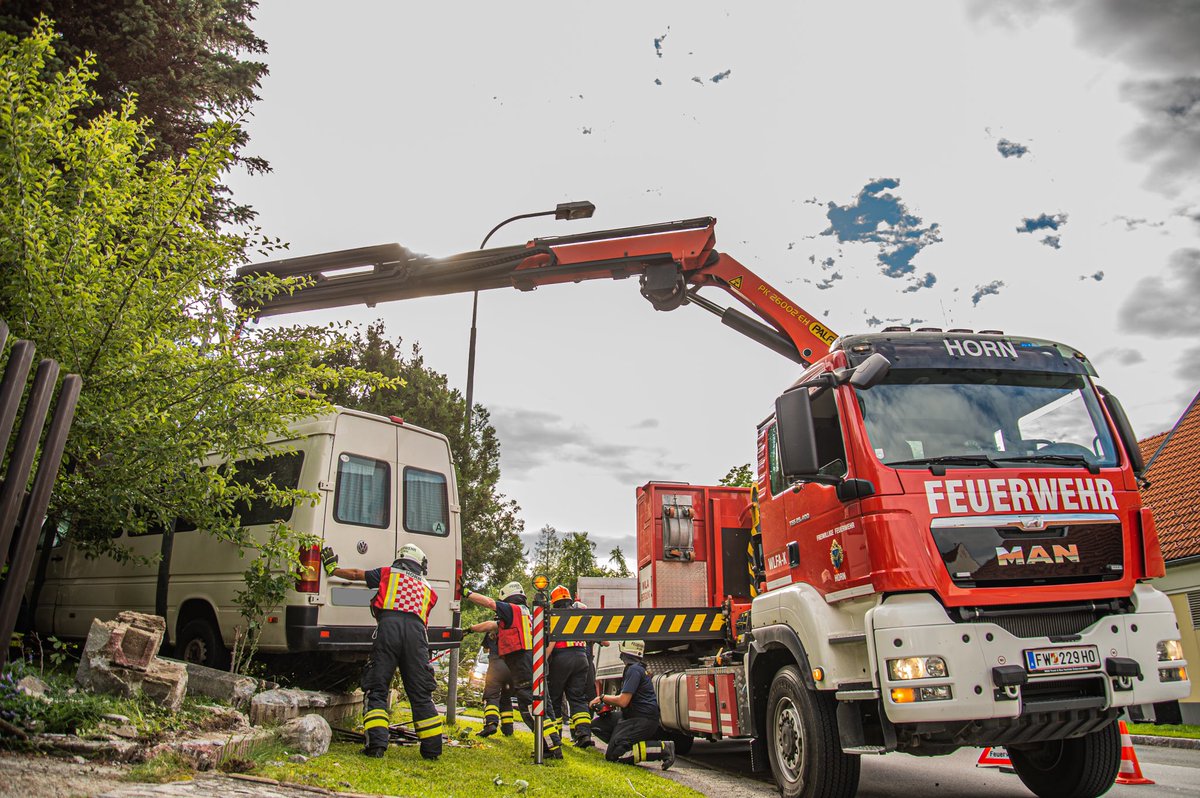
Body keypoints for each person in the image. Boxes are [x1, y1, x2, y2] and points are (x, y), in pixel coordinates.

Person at [322, 543, 443, 760]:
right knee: (420, 693)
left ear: (401, 558)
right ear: (419, 564)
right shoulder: (428, 589)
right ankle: (432, 750)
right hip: (417, 636)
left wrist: (333, 569)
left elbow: (357, 574)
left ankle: (376, 746)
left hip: (389, 629)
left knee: (377, 687)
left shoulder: (388, 573)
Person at [463, 581, 563, 759]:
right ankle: (553, 744)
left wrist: (466, 593)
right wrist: (469, 630)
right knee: (543, 705)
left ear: (507, 599)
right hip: (536, 662)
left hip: (523, 664)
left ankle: (551, 746)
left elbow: (489, 603)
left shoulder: (511, 610)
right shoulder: (526, 614)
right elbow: (491, 625)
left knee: (529, 707)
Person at [590, 640, 675, 770]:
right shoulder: (634, 668)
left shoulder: (634, 670)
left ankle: (662, 749)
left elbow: (623, 701)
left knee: (613, 755)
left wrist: (602, 697)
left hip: (641, 719)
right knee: (597, 726)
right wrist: (607, 706)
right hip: (632, 715)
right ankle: (621, 742)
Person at [546, 585, 594, 748]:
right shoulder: (578, 615)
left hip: (561, 658)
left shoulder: (556, 616)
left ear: (554, 602)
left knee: (555, 698)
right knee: (578, 698)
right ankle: (584, 734)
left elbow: (552, 642)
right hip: (582, 657)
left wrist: (542, 660)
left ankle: (557, 735)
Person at [470, 625, 516, 737]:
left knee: (492, 696)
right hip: (512, 667)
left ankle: (491, 723)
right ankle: (508, 728)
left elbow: (486, 648)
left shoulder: (492, 628)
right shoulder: (515, 628)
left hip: (496, 666)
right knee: (506, 697)